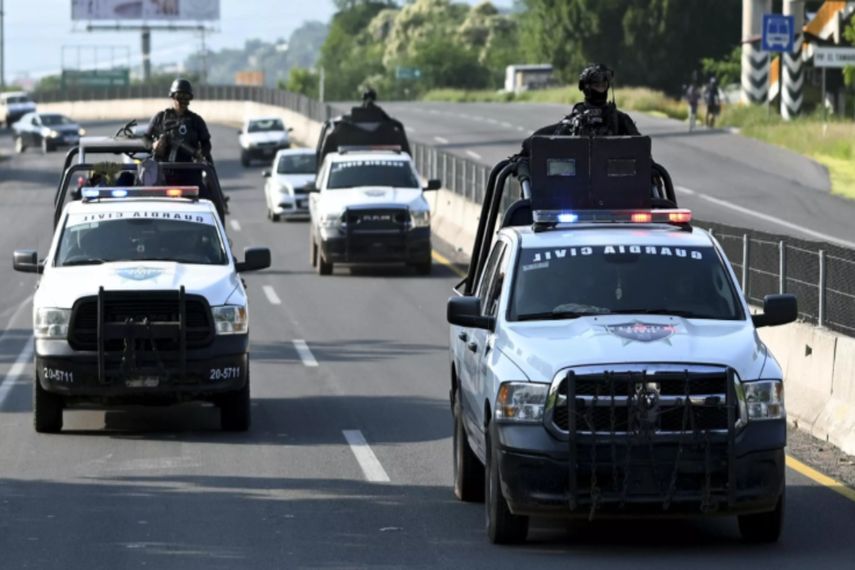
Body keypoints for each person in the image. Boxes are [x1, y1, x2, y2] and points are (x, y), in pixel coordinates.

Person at [519, 63, 640, 156]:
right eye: (597, 86)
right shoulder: (573, 122)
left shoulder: (620, 120)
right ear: (586, 88)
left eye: (604, 85)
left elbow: (641, 150)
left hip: (615, 182)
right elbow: (538, 143)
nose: (601, 89)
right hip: (577, 183)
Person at [145, 78, 213, 164]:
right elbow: (145, 139)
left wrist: (200, 153)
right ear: (173, 96)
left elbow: (206, 144)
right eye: (179, 96)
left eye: (186, 97)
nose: (183, 101)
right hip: (164, 170)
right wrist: (154, 145)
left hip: (190, 170)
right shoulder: (160, 117)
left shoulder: (196, 121)